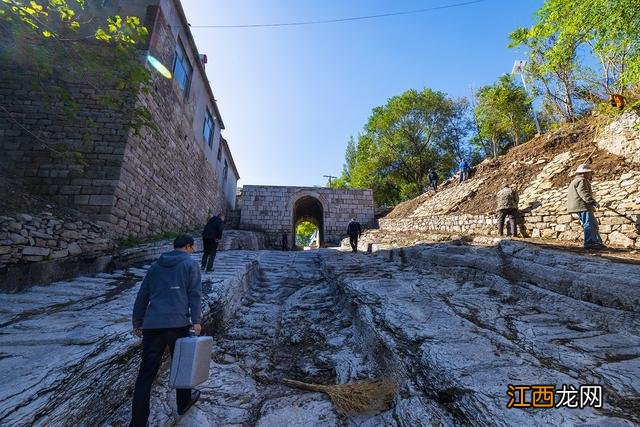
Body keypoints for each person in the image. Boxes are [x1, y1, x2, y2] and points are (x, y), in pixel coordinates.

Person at [130, 234, 203, 426]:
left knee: (146, 373)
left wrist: (137, 321)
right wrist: (196, 320)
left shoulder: (155, 267)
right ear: (188, 247)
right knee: (182, 364)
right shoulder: (190, 264)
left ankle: (138, 422)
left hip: (153, 325)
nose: (192, 251)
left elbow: (143, 294)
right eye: (192, 248)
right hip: (177, 324)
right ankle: (183, 402)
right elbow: (195, 294)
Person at [567, 164, 605, 249]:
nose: (591, 174)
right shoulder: (582, 180)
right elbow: (583, 193)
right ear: (585, 173)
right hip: (582, 206)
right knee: (589, 223)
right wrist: (593, 202)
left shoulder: (574, 181)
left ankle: (597, 242)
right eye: (589, 172)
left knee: (592, 223)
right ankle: (590, 243)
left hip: (577, 206)